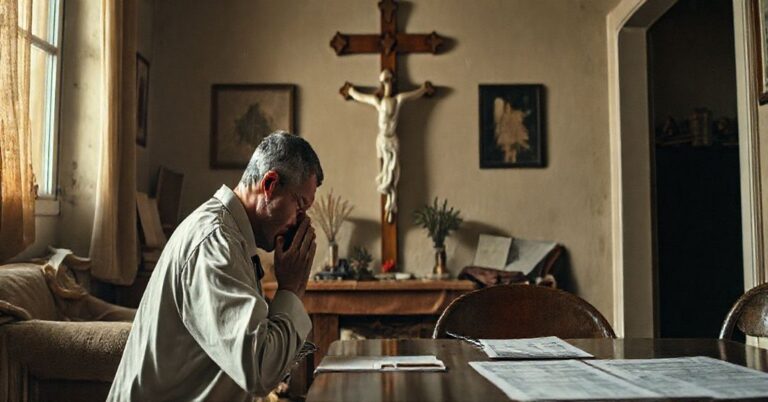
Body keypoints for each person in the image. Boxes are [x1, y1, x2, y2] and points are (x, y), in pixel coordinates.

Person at [108, 131, 323, 401]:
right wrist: (291, 288)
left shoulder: (236, 240)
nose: (301, 223)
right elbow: (260, 369)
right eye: (300, 206)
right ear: (270, 185)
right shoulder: (215, 243)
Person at [340, 69, 434, 223]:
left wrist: (424, 89)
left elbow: (415, 94)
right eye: (384, 81)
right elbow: (361, 97)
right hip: (382, 141)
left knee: (394, 174)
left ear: (393, 81)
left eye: (389, 80)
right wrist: (350, 91)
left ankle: (392, 204)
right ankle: (387, 206)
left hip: (392, 140)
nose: (387, 83)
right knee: (383, 174)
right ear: (381, 83)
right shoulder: (378, 102)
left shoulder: (398, 100)